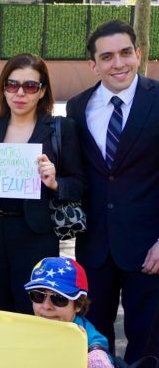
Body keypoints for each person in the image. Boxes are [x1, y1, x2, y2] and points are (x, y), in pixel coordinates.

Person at [0, 53, 85, 314]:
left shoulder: (61, 129)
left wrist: (54, 183)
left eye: (30, 86)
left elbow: (79, 183)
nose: (20, 93)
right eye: (12, 84)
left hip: (35, 235)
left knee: (33, 311)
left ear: (42, 91)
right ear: (3, 88)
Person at [65, 20, 159, 364]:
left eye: (125, 53)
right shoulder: (76, 107)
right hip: (94, 247)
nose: (118, 63)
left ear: (138, 54)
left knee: (148, 345)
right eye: (107, 57)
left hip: (149, 249)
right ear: (93, 65)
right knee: (93, 342)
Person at [24, 257, 114, 368]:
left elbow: (96, 342)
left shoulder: (83, 332)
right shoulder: (24, 327)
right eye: (38, 295)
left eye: (59, 298)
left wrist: (96, 353)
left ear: (79, 304)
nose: (46, 306)